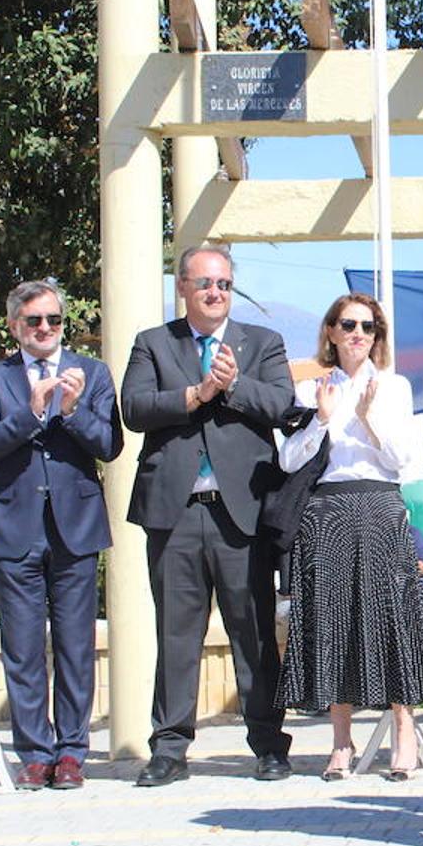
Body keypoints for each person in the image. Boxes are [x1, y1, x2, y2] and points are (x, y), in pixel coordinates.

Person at [122, 244, 294, 785]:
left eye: (223, 284)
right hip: (175, 513)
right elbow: (134, 407)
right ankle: (170, 750)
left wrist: (234, 385)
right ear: (184, 288)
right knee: (176, 635)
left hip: (239, 512)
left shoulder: (262, 342)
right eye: (204, 284)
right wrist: (197, 393)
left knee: (254, 633)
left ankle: (268, 743)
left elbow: (282, 405)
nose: (215, 293)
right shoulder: (153, 343)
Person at [276, 293, 423, 780]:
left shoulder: (392, 387)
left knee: (393, 618)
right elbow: (290, 461)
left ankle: (404, 732)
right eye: (347, 324)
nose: (357, 334)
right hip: (327, 508)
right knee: (333, 622)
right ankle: (339, 743)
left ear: (378, 336)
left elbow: (402, 462)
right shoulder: (313, 391)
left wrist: (369, 419)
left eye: (367, 327)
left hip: (379, 504)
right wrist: (323, 420)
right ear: (330, 331)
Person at [0, 279, 123, 790]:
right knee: (22, 648)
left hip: (75, 529)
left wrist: (71, 413)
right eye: (34, 321)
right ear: (15, 325)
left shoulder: (93, 373)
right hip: (16, 529)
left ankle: (72, 753)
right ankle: (34, 753)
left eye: (53, 321)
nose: (45, 329)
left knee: (77, 645)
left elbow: (109, 444)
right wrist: (32, 412)